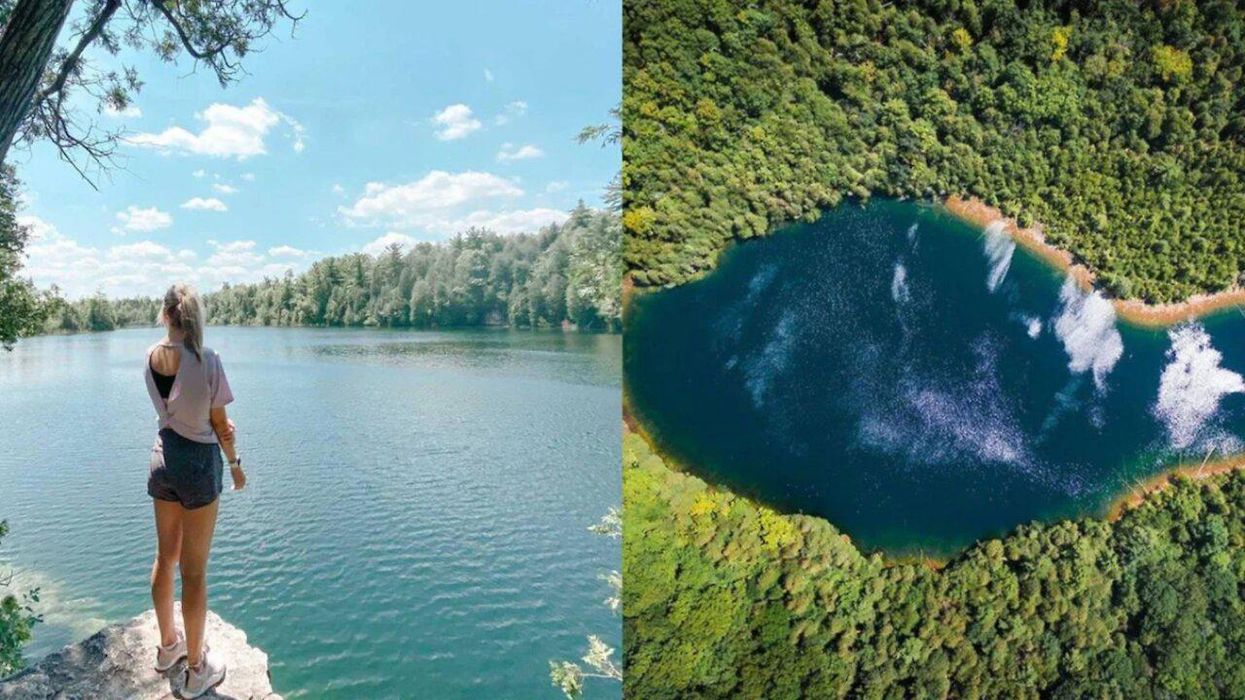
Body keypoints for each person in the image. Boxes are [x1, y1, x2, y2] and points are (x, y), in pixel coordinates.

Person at [144, 283, 246, 698]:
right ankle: (196, 671)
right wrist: (235, 466)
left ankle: (169, 646)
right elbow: (219, 424)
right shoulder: (207, 358)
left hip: (162, 458)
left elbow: (176, 409)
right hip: (199, 465)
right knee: (195, 572)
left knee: (164, 558)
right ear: (193, 316)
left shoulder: (151, 355)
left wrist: (205, 418)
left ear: (165, 315)